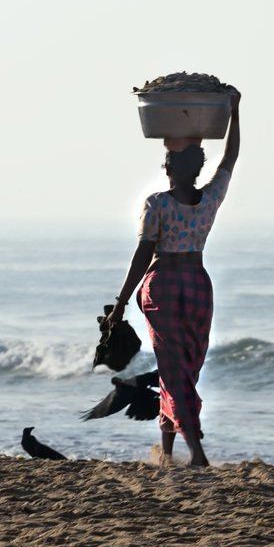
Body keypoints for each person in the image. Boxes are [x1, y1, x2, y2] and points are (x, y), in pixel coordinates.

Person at [103, 89, 241, 467]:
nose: (164, 167)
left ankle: (195, 452)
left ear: (174, 169)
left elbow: (144, 252)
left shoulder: (157, 204)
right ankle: (166, 451)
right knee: (183, 370)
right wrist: (234, 113)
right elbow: (230, 157)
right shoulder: (211, 199)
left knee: (173, 371)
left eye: (167, 162)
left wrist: (120, 302)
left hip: (163, 285)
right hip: (197, 285)